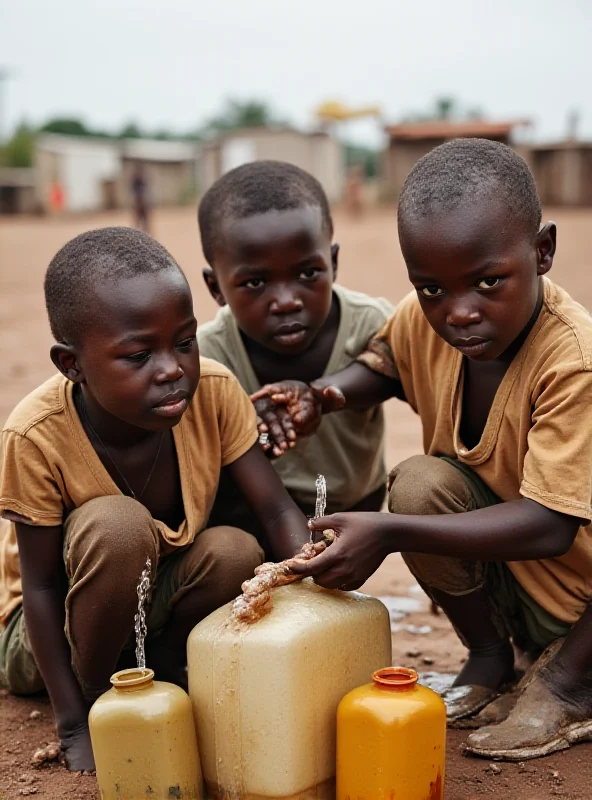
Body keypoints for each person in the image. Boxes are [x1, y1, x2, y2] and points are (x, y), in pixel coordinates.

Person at [255, 139, 592, 760]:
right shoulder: (426, 317)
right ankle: (494, 657)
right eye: (432, 288)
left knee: (406, 509)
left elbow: (550, 526)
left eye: (488, 281)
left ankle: (568, 686)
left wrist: (387, 532)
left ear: (542, 251)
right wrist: (322, 396)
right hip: (523, 595)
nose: (458, 312)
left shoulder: (571, 362)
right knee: (419, 483)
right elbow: (384, 365)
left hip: (581, 601)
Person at [0, 227, 310, 772]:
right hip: (45, 639)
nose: (172, 369)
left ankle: (162, 672)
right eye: (139, 355)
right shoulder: (36, 435)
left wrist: (314, 582)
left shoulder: (213, 392)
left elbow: (277, 510)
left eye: (185, 342)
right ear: (71, 364)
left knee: (236, 550)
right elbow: (42, 587)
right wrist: (75, 726)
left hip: (148, 613)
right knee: (118, 526)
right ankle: (101, 698)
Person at [196, 160, 394, 542]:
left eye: (307, 274)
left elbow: (419, 383)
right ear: (216, 287)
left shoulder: (371, 325)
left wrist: (324, 394)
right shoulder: (210, 356)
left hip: (353, 510)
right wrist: (243, 430)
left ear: (333, 263)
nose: (286, 301)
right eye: (255, 282)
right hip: (255, 517)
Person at [131, 163, 151, 234]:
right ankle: (137, 234)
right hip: (139, 201)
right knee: (138, 221)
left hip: (143, 201)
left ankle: (145, 234)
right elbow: (133, 190)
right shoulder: (136, 178)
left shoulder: (144, 178)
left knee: (145, 221)